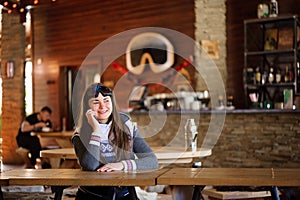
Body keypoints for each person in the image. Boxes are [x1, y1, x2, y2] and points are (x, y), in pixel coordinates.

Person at [72, 83, 158, 200]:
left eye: (106, 100)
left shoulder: (127, 126)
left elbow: (152, 160)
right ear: (88, 108)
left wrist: (121, 165)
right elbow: (90, 166)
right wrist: (96, 131)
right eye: (96, 102)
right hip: (92, 196)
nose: (103, 106)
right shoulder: (80, 134)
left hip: (125, 194)